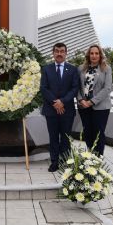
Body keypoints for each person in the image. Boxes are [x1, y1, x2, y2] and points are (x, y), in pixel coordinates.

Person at [41, 43, 80, 172]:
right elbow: (44, 88)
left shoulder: (73, 69)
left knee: (65, 138)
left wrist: (62, 101)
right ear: (53, 53)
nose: (59, 53)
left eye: (62, 51)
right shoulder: (46, 69)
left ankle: (65, 161)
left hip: (67, 110)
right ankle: (54, 162)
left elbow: (75, 88)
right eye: (56, 51)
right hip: (50, 110)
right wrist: (55, 103)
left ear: (66, 53)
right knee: (53, 137)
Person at [77, 44, 112, 156]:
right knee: (87, 132)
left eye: (96, 53)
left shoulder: (106, 68)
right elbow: (76, 87)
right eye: (92, 53)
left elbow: (107, 88)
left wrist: (91, 102)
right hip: (84, 106)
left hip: (101, 107)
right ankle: (90, 155)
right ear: (88, 55)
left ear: (100, 55)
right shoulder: (80, 69)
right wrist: (81, 100)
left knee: (98, 133)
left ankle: (98, 158)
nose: (94, 55)